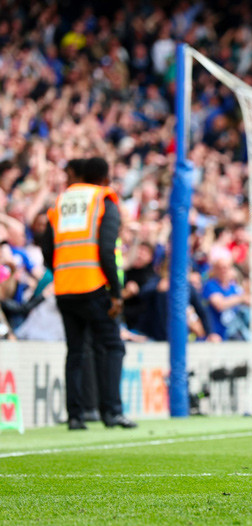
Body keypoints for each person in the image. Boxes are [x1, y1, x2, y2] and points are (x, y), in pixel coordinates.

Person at [42, 157, 137, 431]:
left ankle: (76, 416)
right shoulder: (103, 199)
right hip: (94, 286)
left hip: (64, 286)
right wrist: (116, 293)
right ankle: (112, 412)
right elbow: (107, 249)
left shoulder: (60, 202)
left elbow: (47, 248)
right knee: (112, 346)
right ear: (105, 178)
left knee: (75, 351)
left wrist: (62, 271)